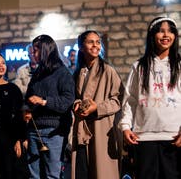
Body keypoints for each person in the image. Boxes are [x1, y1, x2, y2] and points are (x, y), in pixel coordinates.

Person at [119, 17, 181, 179]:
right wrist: (125, 126)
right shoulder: (139, 66)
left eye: (170, 31)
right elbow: (130, 100)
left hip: (174, 137)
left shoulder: (179, 65)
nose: (166, 35)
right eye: (161, 31)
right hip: (144, 137)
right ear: (152, 35)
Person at [71, 30, 123, 179]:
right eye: (90, 42)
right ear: (81, 47)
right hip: (82, 128)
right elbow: (75, 97)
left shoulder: (108, 71)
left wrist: (97, 108)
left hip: (102, 127)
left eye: (98, 42)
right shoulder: (78, 72)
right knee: (83, 171)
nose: (95, 45)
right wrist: (77, 104)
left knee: (101, 171)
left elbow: (118, 100)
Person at [23, 34, 75, 179]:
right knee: (34, 176)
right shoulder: (37, 74)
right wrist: (26, 109)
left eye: (35, 50)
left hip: (54, 132)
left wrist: (44, 101)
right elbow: (28, 98)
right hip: (34, 130)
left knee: (52, 175)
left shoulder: (63, 73)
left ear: (45, 50)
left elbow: (67, 101)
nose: (33, 54)